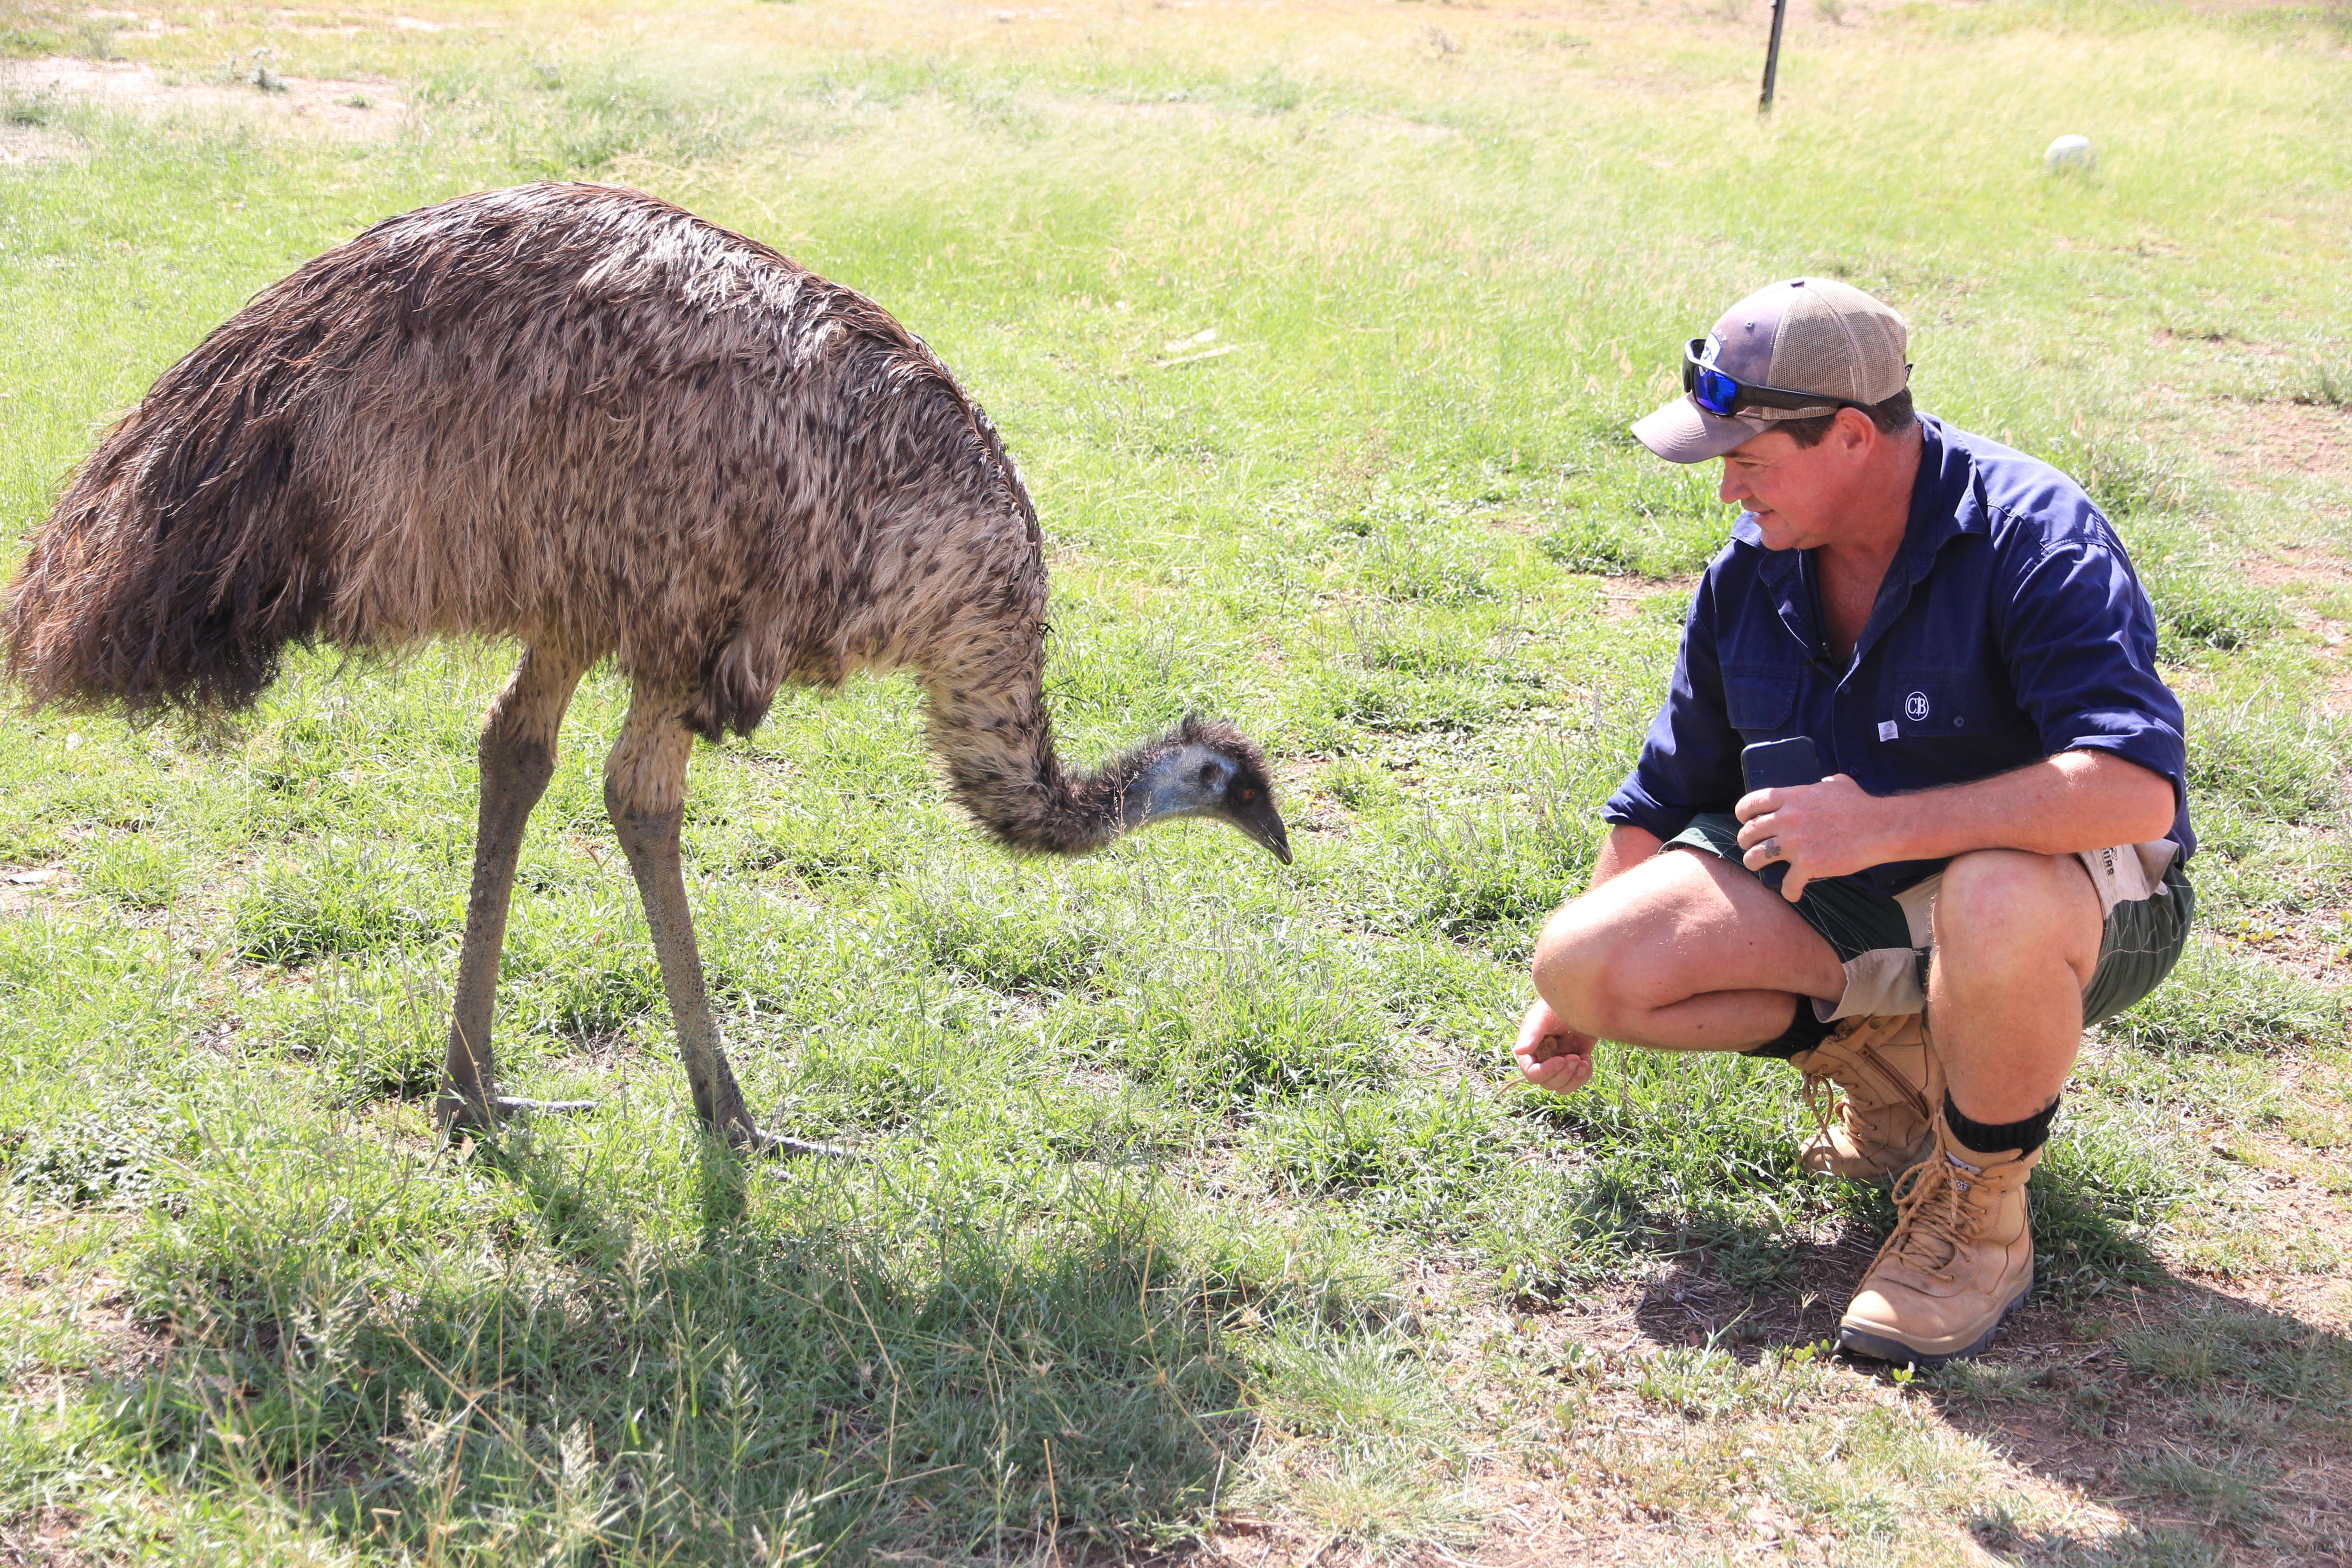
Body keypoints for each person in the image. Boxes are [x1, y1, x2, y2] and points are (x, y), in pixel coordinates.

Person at [1515, 279, 2194, 1366]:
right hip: (1872, 896)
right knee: (1586, 957)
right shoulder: (1752, 566)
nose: (1726, 485)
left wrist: (1881, 823)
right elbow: (1659, 794)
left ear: (1846, 435)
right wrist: (1571, 998)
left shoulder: (2033, 532)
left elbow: (2133, 787)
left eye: (1747, 455)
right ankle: (1901, 1064)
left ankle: (1981, 1211)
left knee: (1991, 889)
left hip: (2079, 897)